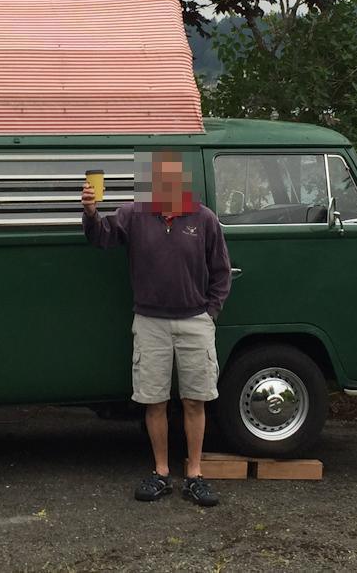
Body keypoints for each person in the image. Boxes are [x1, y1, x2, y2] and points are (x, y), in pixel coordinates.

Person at [81, 152, 232, 506]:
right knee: (154, 401)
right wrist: (90, 212)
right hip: (149, 322)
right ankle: (161, 472)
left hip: (195, 321)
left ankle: (195, 475)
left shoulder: (203, 218)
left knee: (195, 400)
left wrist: (210, 313)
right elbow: (101, 238)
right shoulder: (133, 215)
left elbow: (222, 272)